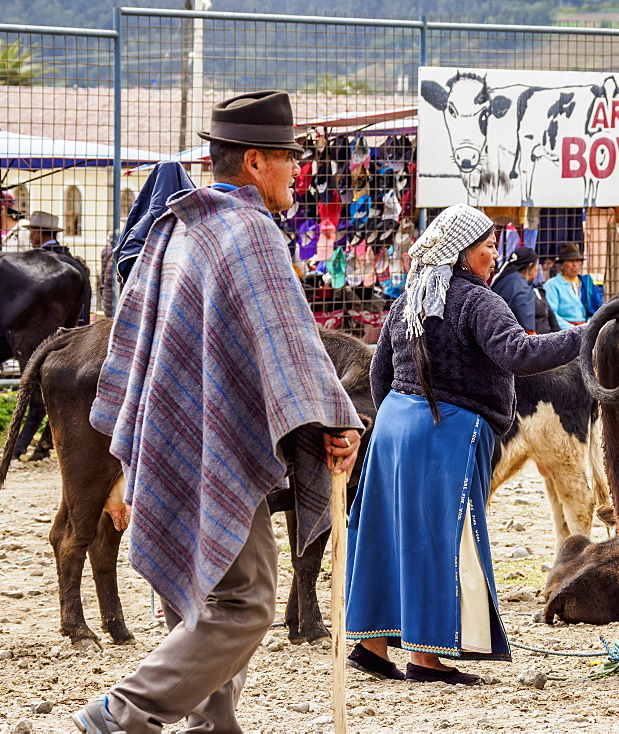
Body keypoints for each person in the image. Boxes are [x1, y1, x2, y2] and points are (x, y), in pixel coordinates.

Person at [73, 90, 365, 734]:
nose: (297, 170)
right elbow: (292, 347)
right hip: (221, 444)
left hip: (182, 435)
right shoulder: (251, 232)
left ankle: (214, 727)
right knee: (248, 598)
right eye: (289, 157)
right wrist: (333, 419)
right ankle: (120, 714)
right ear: (256, 161)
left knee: (206, 591)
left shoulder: (182, 226)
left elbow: (148, 337)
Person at [345, 203, 583, 684]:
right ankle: (425, 660)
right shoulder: (478, 302)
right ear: (460, 252)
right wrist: (584, 335)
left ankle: (371, 647)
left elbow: (380, 373)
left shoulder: (410, 299)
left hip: (394, 426)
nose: (495, 256)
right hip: (446, 431)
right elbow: (519, 353)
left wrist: (396, 418)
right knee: (443, 539)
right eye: (488, 246)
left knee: (385, 535)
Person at [491, 246, 558, 334]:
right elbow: (527, 327)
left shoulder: (507, 279)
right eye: (537, 265)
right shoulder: (518, 284)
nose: (537, 269)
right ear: (530, 265)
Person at [544, 244, 603, 330]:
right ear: (561, 265)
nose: (574, 265)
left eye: (577, 261)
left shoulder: (587, 283)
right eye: (570, 261)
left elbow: (595, 310)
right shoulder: (552, 285)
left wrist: (589, 326)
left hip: (586, 328)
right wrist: (572, 329)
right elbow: (552, 314)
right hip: (563, 331)